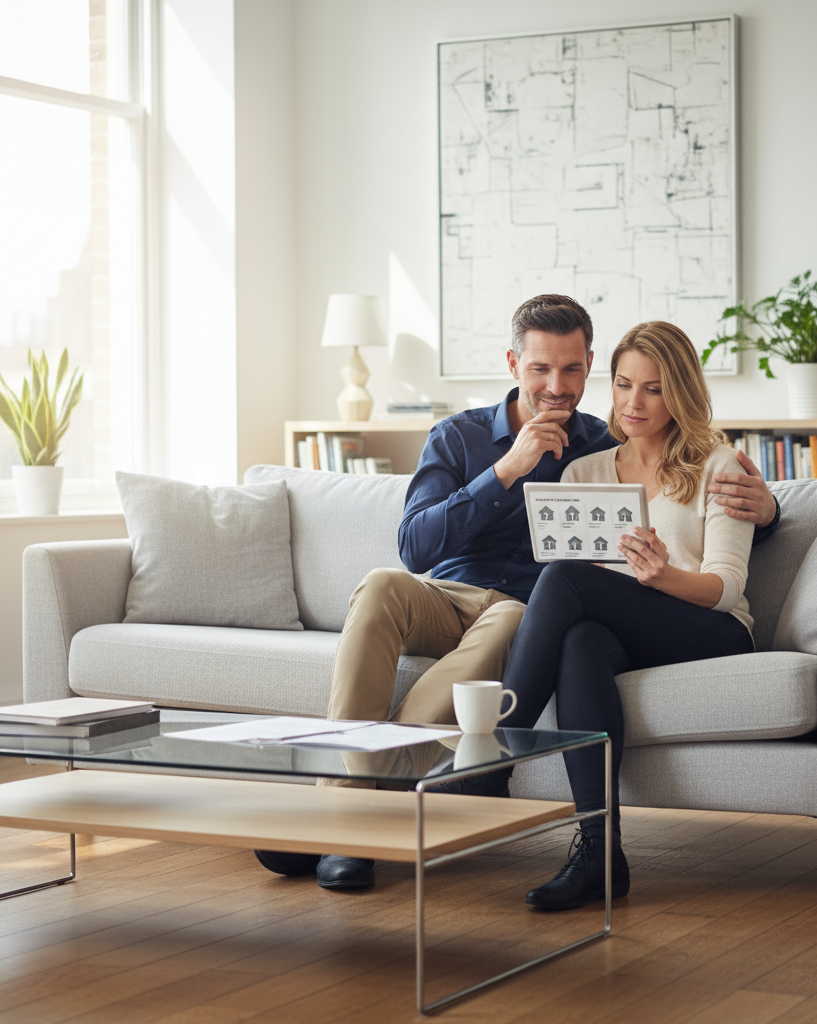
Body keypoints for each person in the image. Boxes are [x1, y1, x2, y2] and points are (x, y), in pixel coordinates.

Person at [255, 298, 777, 892]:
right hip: (445, 593)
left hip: (526, 612)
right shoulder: (468, 439)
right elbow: (414, 549)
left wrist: (771, 509)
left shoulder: (605, 446)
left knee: (543, 618)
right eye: (541, 370)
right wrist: (507, 468)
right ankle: (361, 803)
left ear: (587, 370)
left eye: (573, 370)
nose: (558, 386)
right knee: (380, 587)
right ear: (513, 364)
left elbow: (713, 546)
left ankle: (476, 767)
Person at [494, 320, 758, 910]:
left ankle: (497, 748)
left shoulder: (720, 467)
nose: (633, 402)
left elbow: (727, 588)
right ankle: (599, 853)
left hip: (711, 630)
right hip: (621, 631)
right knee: (582, 640)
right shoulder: (583, 472)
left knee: (562, 581)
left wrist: (662, 575)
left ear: (681, 392)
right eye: (622, 384)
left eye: (654, 388)